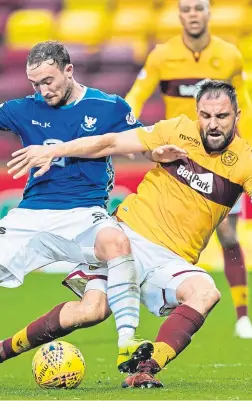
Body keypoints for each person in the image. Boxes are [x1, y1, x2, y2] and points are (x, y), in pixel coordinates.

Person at [4, 80, 252, 388]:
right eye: (206, 115)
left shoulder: (246, 162)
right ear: (196, 114)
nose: (213, 124)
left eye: (222, 116)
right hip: (126, 238)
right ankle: (3, 350)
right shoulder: (176, 130)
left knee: (206, 292)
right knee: (91, 311)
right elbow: (110, 142)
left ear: (237, 115)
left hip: (171, 260)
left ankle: (145, 367)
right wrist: (57, 149)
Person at [0, 39, 162, 373]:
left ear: (68, 70)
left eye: (49, 81)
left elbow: (142, 144)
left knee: (116, 242)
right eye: (35, 84)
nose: (43, 90)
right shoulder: (23, 110)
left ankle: (126, 343)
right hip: (29, 215)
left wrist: (160, 152)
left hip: (82, 213)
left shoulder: (109, 107)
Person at [125, 0, 252, 338]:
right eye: (186, 9)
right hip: (178, 158)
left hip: (222, 160)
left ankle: (242, 316)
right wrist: (130, 131)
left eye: (198, 8)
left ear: (208, 12)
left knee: (228, 235)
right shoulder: (161, 56)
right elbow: (136, 96)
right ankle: (157, 291)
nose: (192, 14)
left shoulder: (229, 55)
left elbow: (243, 100)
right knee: (163, 229)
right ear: (180, 15)